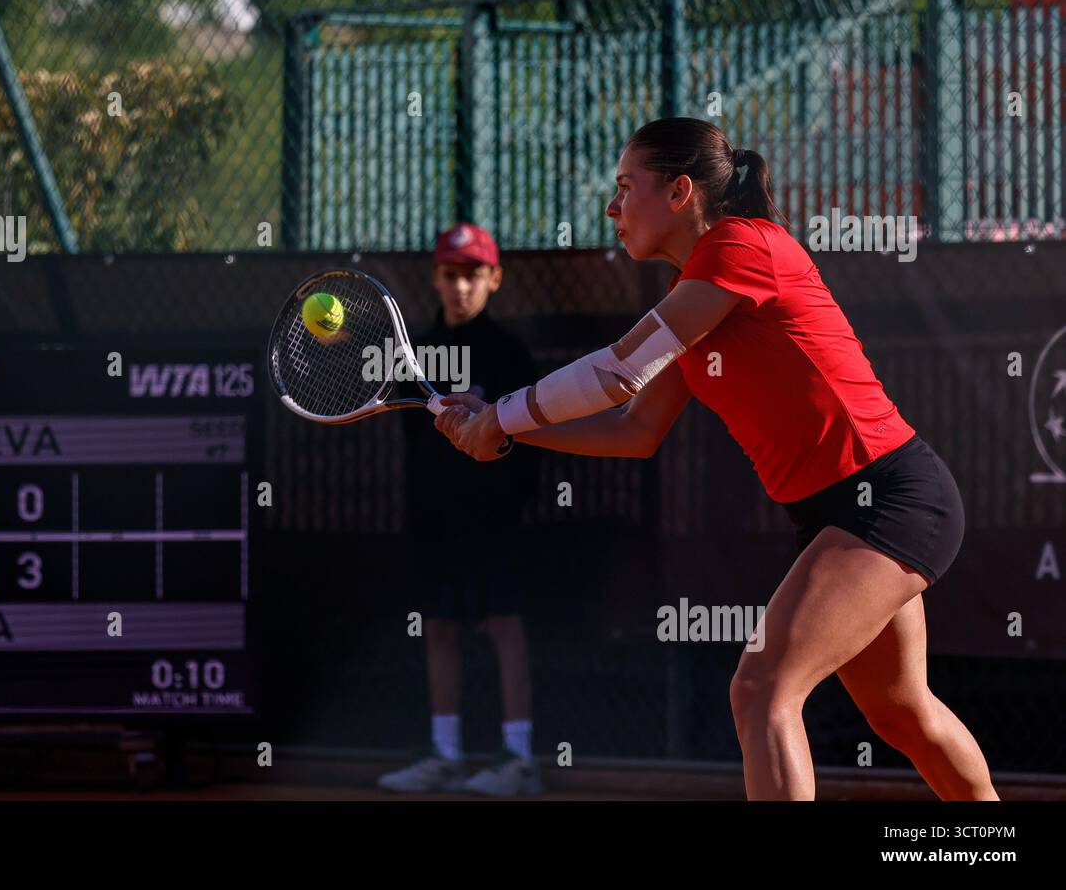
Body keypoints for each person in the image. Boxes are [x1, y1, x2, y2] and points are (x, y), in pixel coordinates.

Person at [434, 118, 998, 801]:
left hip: (890, 500)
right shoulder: (692, 295)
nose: (612, 207)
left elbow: (618, 372)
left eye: (626, 187)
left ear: (679, 192)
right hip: (839, 516)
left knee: (762, 690)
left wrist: (501, 415)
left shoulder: (741, 246)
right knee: (903, 713)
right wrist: (505, 431)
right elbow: (634, 429)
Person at [377, 223, 542, 796]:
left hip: (495, 520)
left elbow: (529, 439)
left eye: (473, 275)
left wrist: (504, 499)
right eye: (450, 275)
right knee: (439, 626)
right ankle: (445, 755)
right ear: (436, 279)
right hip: (435, 521)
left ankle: (519, 759)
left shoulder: (510, 354)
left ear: (494, 278)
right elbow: (413, 442)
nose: (461, 286)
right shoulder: (416, 352)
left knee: (503, 624)